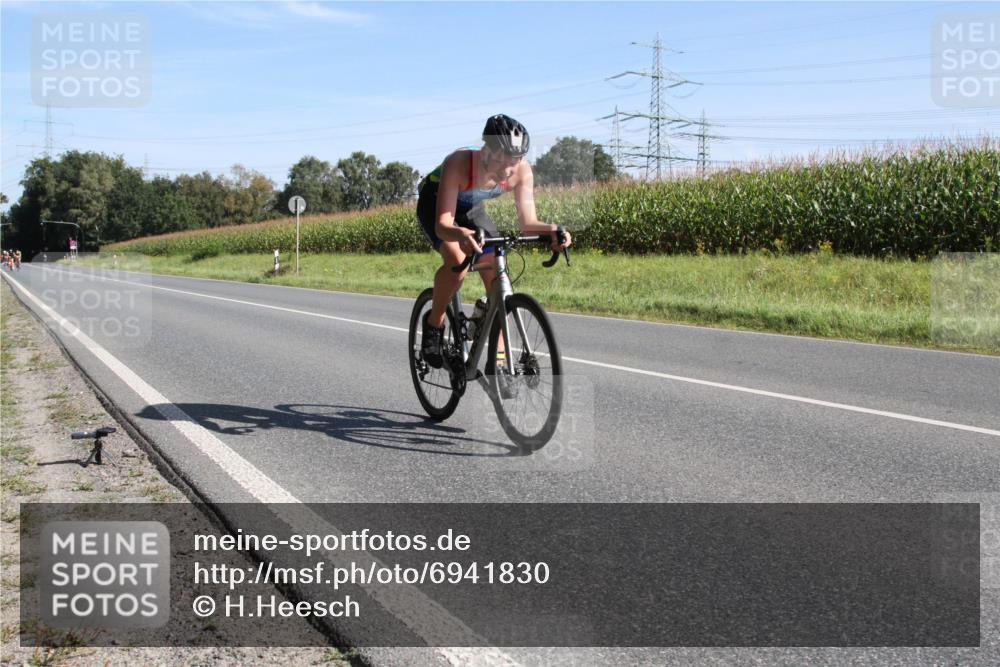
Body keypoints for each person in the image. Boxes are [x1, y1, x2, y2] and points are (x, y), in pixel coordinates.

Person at [416, 114, 571, 368]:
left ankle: (497, 361)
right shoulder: (459, 162)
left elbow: (528, 222)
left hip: (472, 209)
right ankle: (434, 324)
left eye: (514, 162)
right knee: (458, 262)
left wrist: (553, 230)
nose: (506, 170)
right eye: (499, 160)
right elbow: (443, 225)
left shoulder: (521, 172)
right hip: (435, 204)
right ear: (485, 149)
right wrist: (460, 235)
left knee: (496, 272)